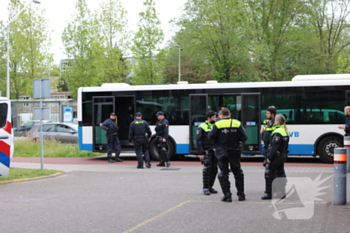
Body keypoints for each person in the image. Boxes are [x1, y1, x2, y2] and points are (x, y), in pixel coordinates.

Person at [208, 108, 248, 202]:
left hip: (222, 152)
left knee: (223, 173)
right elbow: (244, 137)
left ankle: (227, 195)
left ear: (221, 115)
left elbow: (210, 137)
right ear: (229, 115)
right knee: (238, 172)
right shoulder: (237, 123)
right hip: (234, 151)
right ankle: (241, 194)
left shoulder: (218, 124)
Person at [261, 114, 289, 200]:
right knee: (280, 172)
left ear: (277, 121)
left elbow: (274, 146)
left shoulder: (278, 132)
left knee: (269, 172)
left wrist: (269, 157)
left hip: (277, 155)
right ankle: (281, 192)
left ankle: (269, 193)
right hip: (282, 154)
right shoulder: (285, 131)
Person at [196, 111, 218, 195]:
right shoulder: (202, 126)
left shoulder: (216, 126)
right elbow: (198, 141)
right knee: (207, 169)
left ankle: (210, 186)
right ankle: (205, 187)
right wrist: (201, 153)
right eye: (213, 117)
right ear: (209, 118)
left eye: (215, 117)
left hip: (215, 151)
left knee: (214, 169)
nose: (215, 119)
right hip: (206, 151)